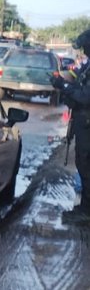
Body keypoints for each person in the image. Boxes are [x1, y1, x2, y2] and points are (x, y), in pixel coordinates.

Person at [53, 28, 90, 223]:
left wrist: (64, 86)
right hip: (83, 122)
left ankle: (86, 210)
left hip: (87, 123)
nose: (83, 52)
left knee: (86, 165)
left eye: (85, 47)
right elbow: (79, 88)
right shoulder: (87, 66)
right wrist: (63, 84)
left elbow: (85, 96)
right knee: (83, 164)